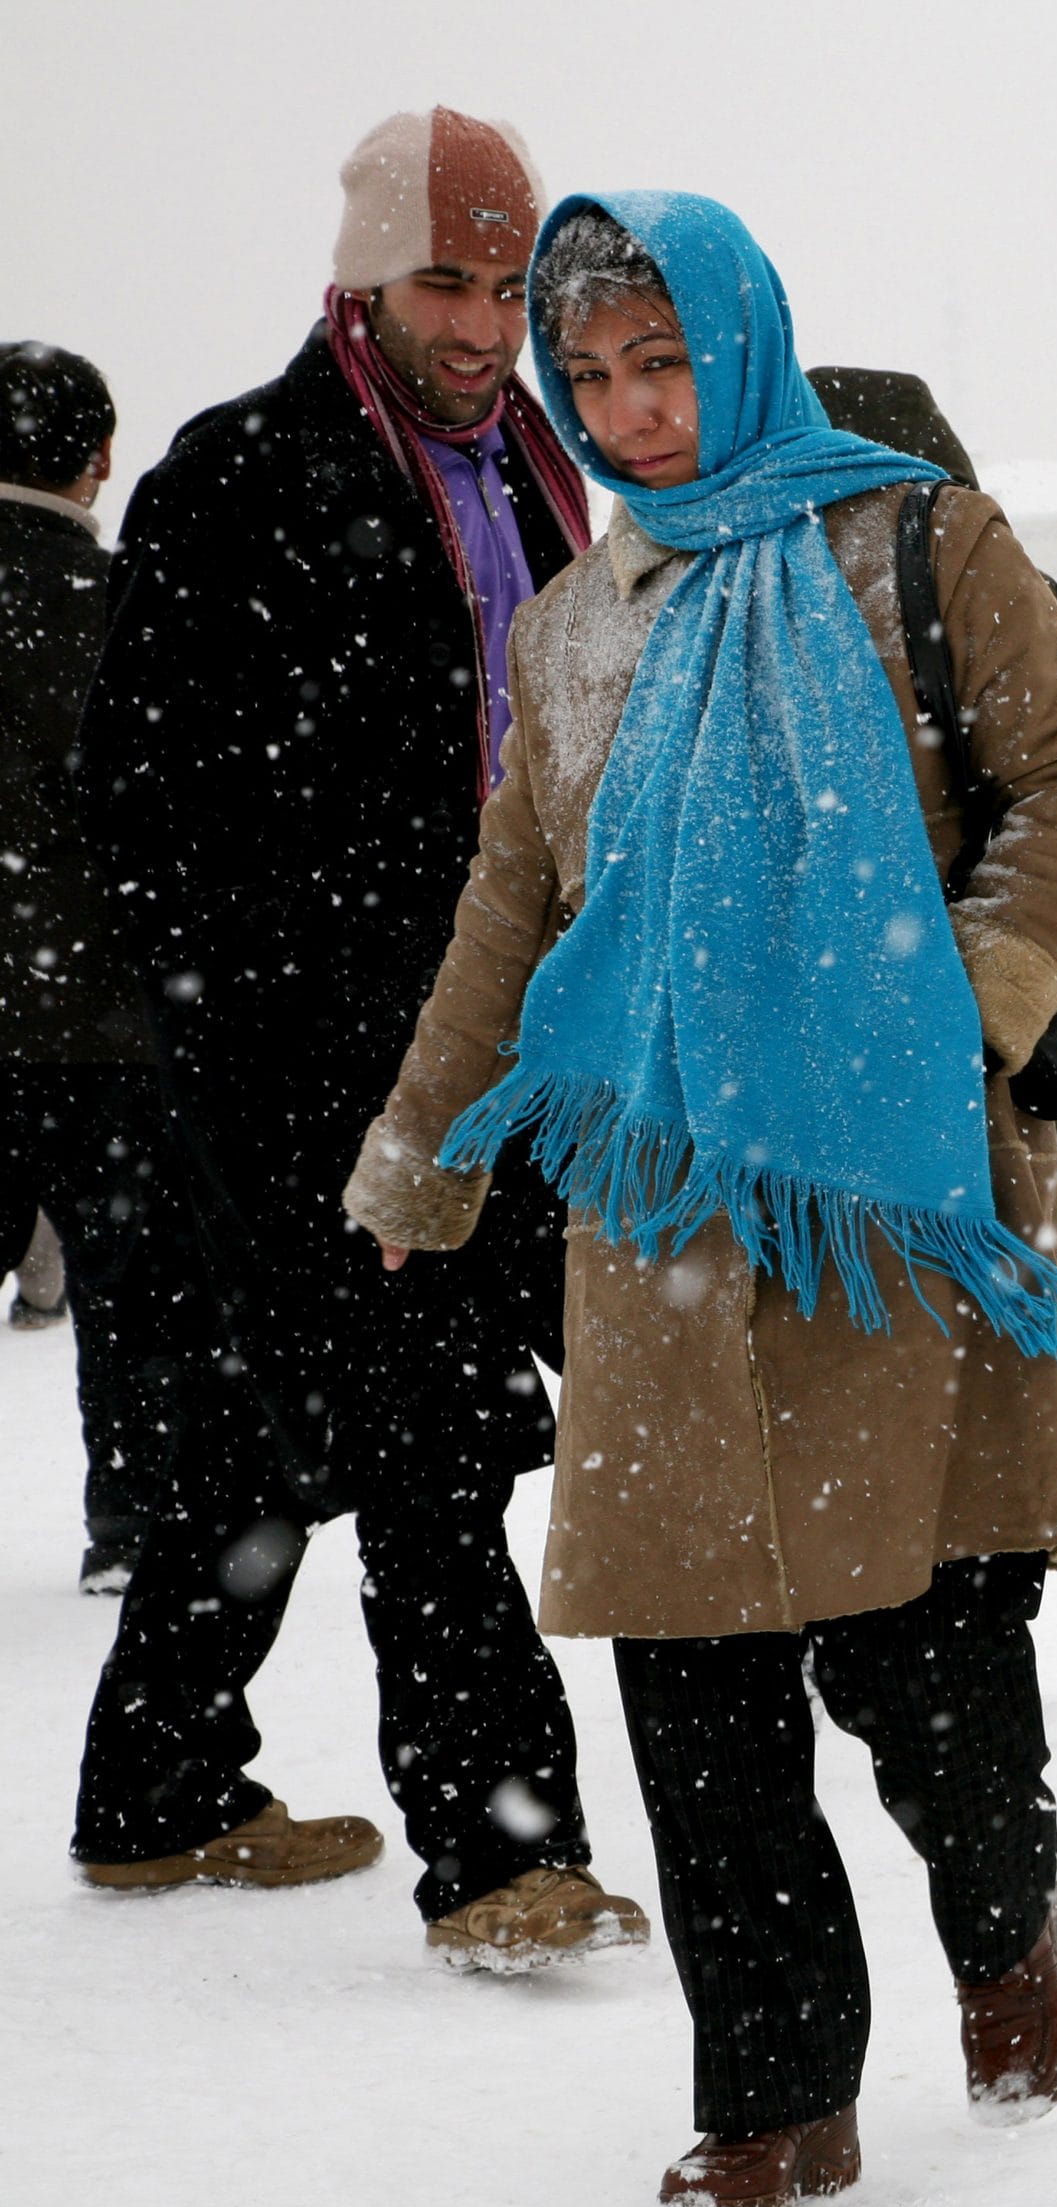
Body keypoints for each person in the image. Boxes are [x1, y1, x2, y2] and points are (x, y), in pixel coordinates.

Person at [341, 192, 1057, 2207]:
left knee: (928, 1657)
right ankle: (779, 2093)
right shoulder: (578, 618)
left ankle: (1004, 1920)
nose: (629, 409)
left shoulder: (916, 545)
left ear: (742, 341)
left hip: (888, 1202)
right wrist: (425, 1149)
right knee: (694, 1682)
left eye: (660, 363)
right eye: (589, 376)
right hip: (667, 1221)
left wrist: (953, 1003)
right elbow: (518, 902)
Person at [69, 112, 646, 1969]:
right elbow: (141, 824)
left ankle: (155, 1795)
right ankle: (502, 1854)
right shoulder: (238, 476)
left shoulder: (552, 478)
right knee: (435, 1443)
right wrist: (251, 1075)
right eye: (444, 284)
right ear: (362, 280)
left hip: (531, 1048)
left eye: (504, 284)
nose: (482, 326)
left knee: (253, 1445)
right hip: (328, 1076)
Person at [0, 340, 183, 1589]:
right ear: (101, 457)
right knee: (128, 1300)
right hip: (101, 1030)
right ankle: (130, 1526)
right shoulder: (126, 612)